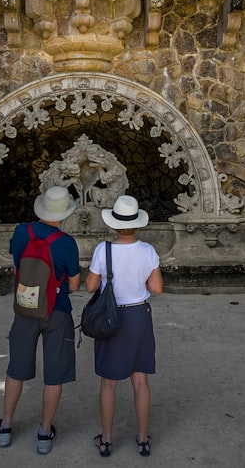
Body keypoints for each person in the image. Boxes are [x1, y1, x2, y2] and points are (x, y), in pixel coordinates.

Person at [0, 186, 81, 455]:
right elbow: (75, 285)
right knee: (54, 375)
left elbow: (17, 265)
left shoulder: (22, 231)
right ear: (65, 213)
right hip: (57, 311)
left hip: (25, 308)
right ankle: (44, 433)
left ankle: (6, 427)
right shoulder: (66, 243)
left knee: (15, 368)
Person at [85, 195, 164, 458]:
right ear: (137, 224)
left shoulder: (102, 250)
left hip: (111, 318)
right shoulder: (148, 251)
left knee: (109, 383)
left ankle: (106, 440)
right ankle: (142, 440)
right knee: (140, 381)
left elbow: (90, 287)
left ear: (114, 224)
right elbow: (157, 289)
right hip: (139, 316)